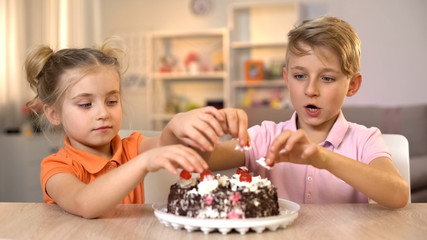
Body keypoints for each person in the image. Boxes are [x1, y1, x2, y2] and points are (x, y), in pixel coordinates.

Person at [24, 37, 249, 218]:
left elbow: (164, 144)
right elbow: (85, 203)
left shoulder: (132, 147)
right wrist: (143, 162)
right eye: (85, 104)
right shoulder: (55, 167)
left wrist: (177, 123)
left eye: (112, 101)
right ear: (53, 114)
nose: (103, 113)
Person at [206, 16, 409, 209]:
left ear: (352, 85)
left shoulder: (365, 140)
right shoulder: (265, 136)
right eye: (300, 75)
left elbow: (398, 195)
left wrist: (324, 158)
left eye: (327, 78)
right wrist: (181, 127)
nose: (311, 90)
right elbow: (197, 160)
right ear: (287, 78)